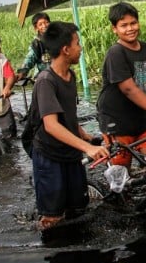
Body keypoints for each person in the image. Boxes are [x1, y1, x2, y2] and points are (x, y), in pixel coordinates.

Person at [30, 21, 109, 230]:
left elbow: (68, 117)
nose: (80, 47)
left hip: (70, 153)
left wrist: (87, 137)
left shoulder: (70, 76)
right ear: (65, 49)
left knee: (78, 210)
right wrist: (88, 148)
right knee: (52, 219)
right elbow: (52, 126)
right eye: (77, 43)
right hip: (49, 156)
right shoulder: (46, 81)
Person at [96, 2, 146, 169]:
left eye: (133, 23)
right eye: (123, 25)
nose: (130, 29)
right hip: (117, 121)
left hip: (143, 117)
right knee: (121, 173)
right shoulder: (116, 53)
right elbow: (129, 88)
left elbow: (145, 79)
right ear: (115, 29)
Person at [17, 12, 51, 80]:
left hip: (59, 75)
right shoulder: (37, 43)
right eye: (40, 24)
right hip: (43, 77)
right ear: (36, 28)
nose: (44, 26)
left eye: (46, 22)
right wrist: (23, 71)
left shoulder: (58, 39)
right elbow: (30, 58)